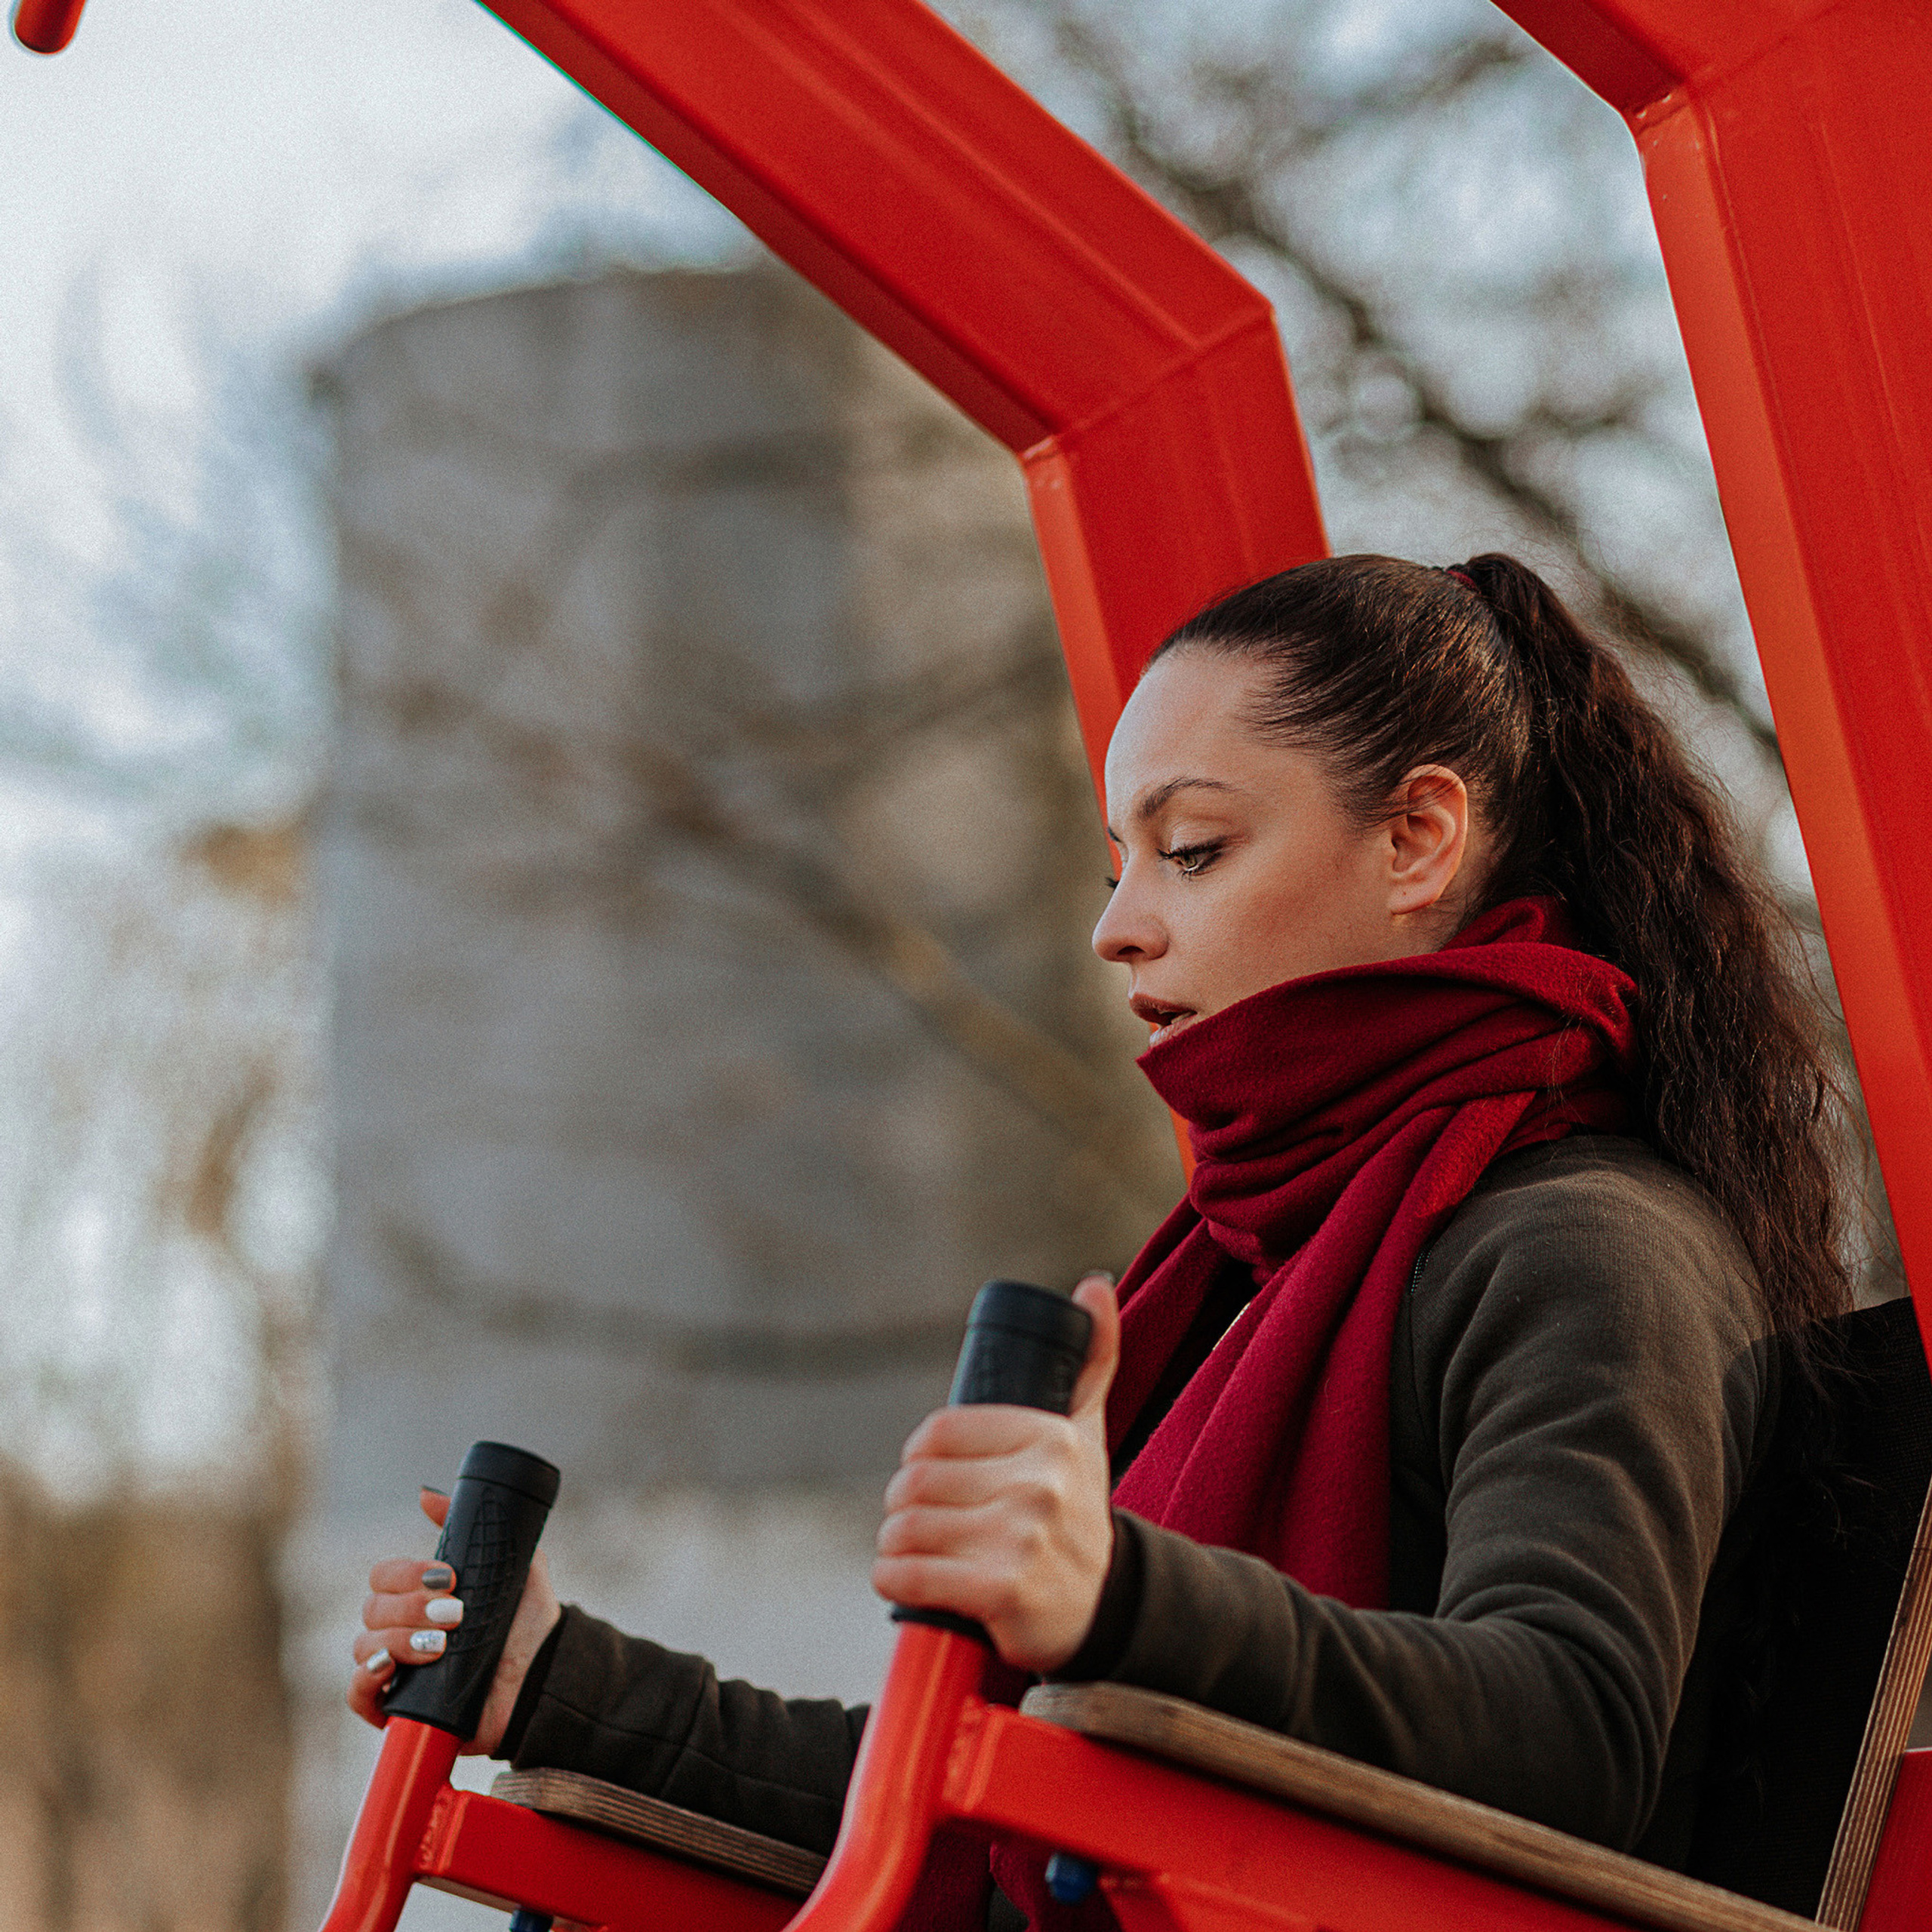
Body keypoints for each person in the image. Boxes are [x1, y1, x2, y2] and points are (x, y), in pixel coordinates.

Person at [346, 553, 1849, 1920]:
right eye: (1113, 861)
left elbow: (1565, 1728)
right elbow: (975, 1778)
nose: (1115, 925)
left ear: (1415, 838)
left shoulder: (1592, 1246)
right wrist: (548, 1676)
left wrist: (1118, 1592)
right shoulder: (1242, 1265)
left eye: (1189, 848)